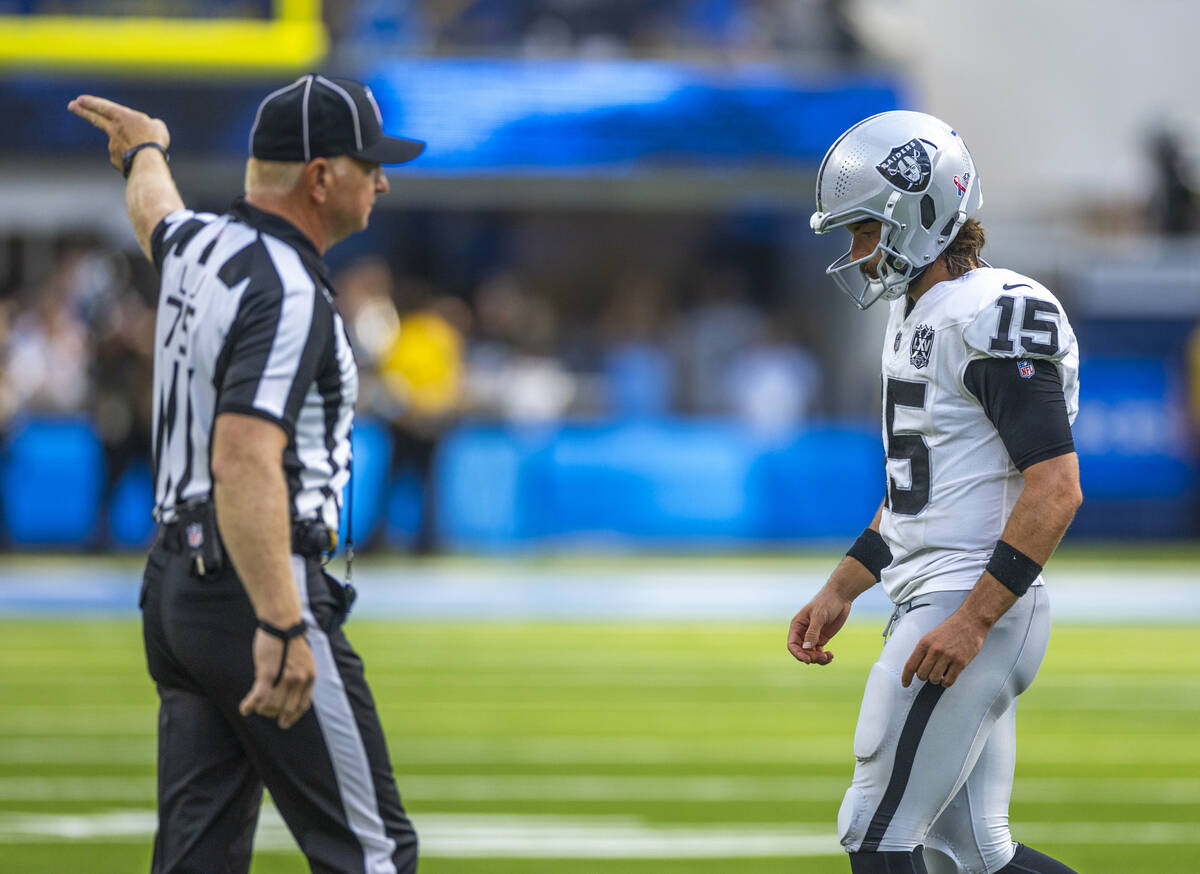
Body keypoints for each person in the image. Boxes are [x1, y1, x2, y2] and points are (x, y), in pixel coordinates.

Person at [69, 74, 424, 873]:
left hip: (175, 588)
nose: (383, 180)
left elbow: (156, 214)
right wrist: (283, 622)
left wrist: (145, 150)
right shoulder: (290, 288)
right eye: (369, 164)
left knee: (199, 859)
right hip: (251, 581)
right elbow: (243, 455)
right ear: (321, 176)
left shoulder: (202, 244)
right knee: (372, 854)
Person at [788, 110, 1082, 874]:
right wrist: (843, 586)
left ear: (920, 213)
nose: (855, 254)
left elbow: (1056, 488)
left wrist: (973, 620)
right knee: (975, 853)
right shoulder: (916, 310)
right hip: (937, 591)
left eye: (862, 231)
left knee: (874, 830)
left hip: (968, 598)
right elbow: (920, 494)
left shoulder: (993, 313)